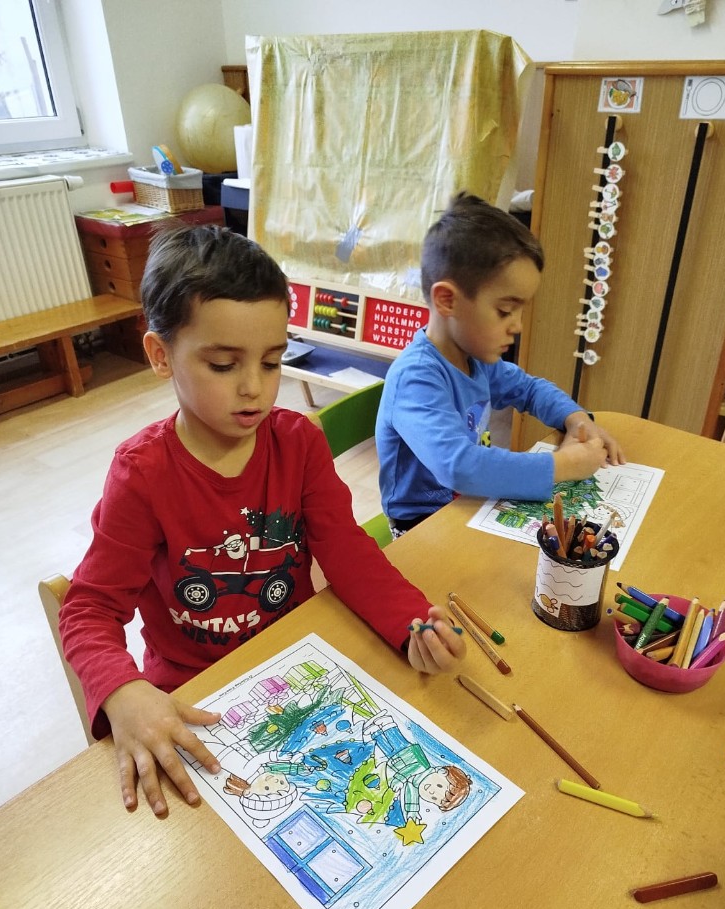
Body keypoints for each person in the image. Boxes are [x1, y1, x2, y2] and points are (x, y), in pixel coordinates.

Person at [59, 224, 465, 817]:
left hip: (296, 665)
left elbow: (347, 551)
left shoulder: (298, 442)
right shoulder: (141, 475)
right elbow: (89, 609)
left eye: (273, 362)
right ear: (160, 355)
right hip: (193, 692)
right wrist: (123, 690)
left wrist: (410, 622)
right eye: (224, 365)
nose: (254, 388)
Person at [376, 192, 626, 537]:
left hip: (472, 506)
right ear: (447, 300)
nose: (517, 325)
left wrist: (577, 419)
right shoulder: (416, 378)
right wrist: (562, 465)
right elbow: (459, 466)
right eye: (505, 311)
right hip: (422, 528)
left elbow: (530, 389)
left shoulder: (477, 359)